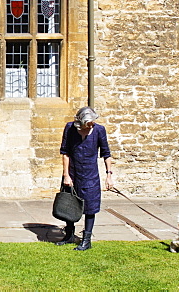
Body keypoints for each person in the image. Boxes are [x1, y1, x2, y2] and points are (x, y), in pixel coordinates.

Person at [56, 106, 114, 251]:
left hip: (90, 175)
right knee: (69, 205)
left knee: (90, 207)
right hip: (73, 173)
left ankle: (86, 240)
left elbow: (106, 153)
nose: (91, 125)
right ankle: (69, 235)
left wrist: (109, 175)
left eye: (93, 122)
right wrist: (66, 175)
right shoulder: (70, 128)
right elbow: (65, 152)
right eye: (89, 123)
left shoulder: (99, 130)